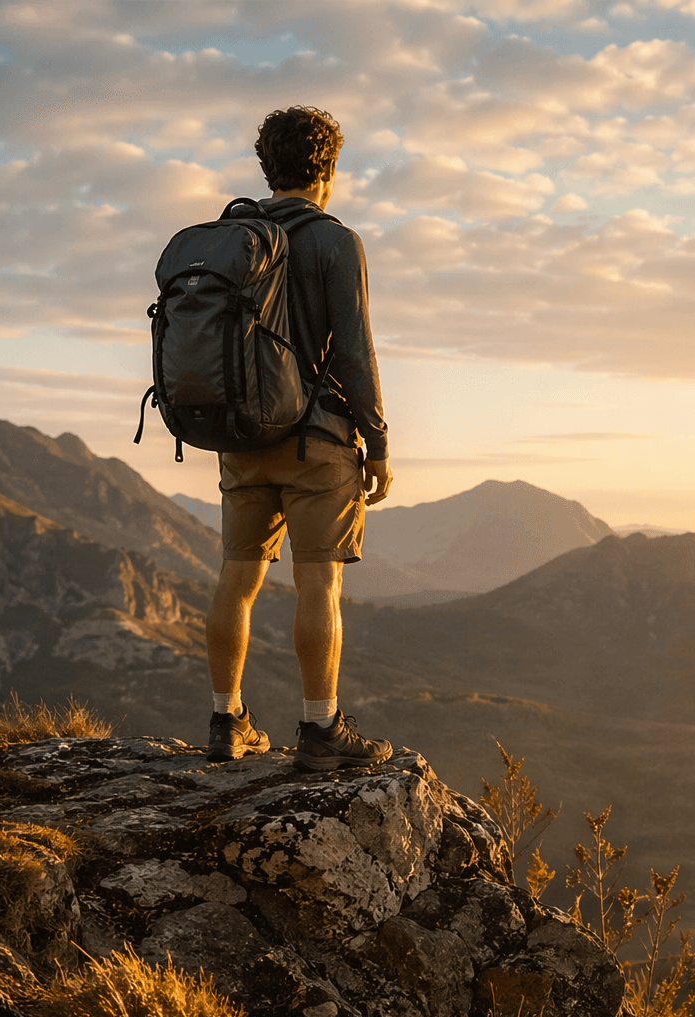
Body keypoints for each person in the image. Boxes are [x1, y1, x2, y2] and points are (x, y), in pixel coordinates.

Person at [204, 105, 396, 770]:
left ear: (268, 169)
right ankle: (320, 730)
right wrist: (376, 441)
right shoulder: (335, 242)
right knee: (319, 584)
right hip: (318, 441)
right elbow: (355, 353)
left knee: (237, 578)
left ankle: (226, 721)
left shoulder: (234, 238)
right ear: (329, 171)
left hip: (242, 438)